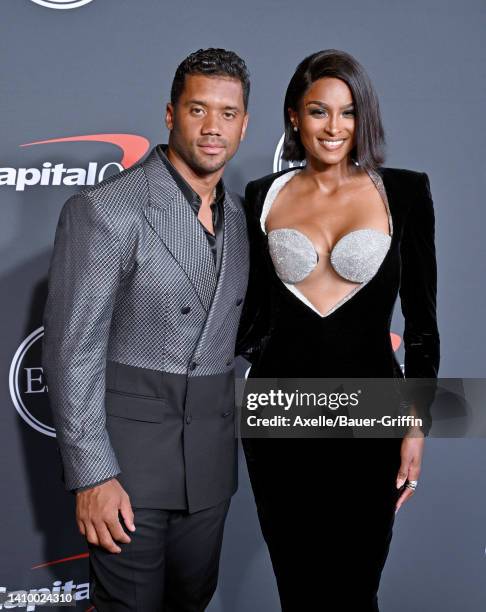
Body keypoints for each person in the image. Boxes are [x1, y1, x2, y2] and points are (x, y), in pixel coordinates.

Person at [42, 48, 250, 611]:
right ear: (169, 114)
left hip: (208, 469)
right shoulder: (108, 208)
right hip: (126, 471)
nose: (213, 129)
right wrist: (92, 476)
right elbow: (71, 350)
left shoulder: (243, 219)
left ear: (245, 123)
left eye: (228, 114)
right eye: (198, 110)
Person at [237, 49, 439, 611]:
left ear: (363, 117)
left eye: (347, 113)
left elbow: (422, 323)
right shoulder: (263, 194)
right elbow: (250, 311)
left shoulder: (404, 191)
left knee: (354, 587)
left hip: (370, 408)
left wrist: (416, 425)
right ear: (295, 117)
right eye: (318, 111)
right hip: (280, 411)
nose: (334, 127)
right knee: (298, 588)